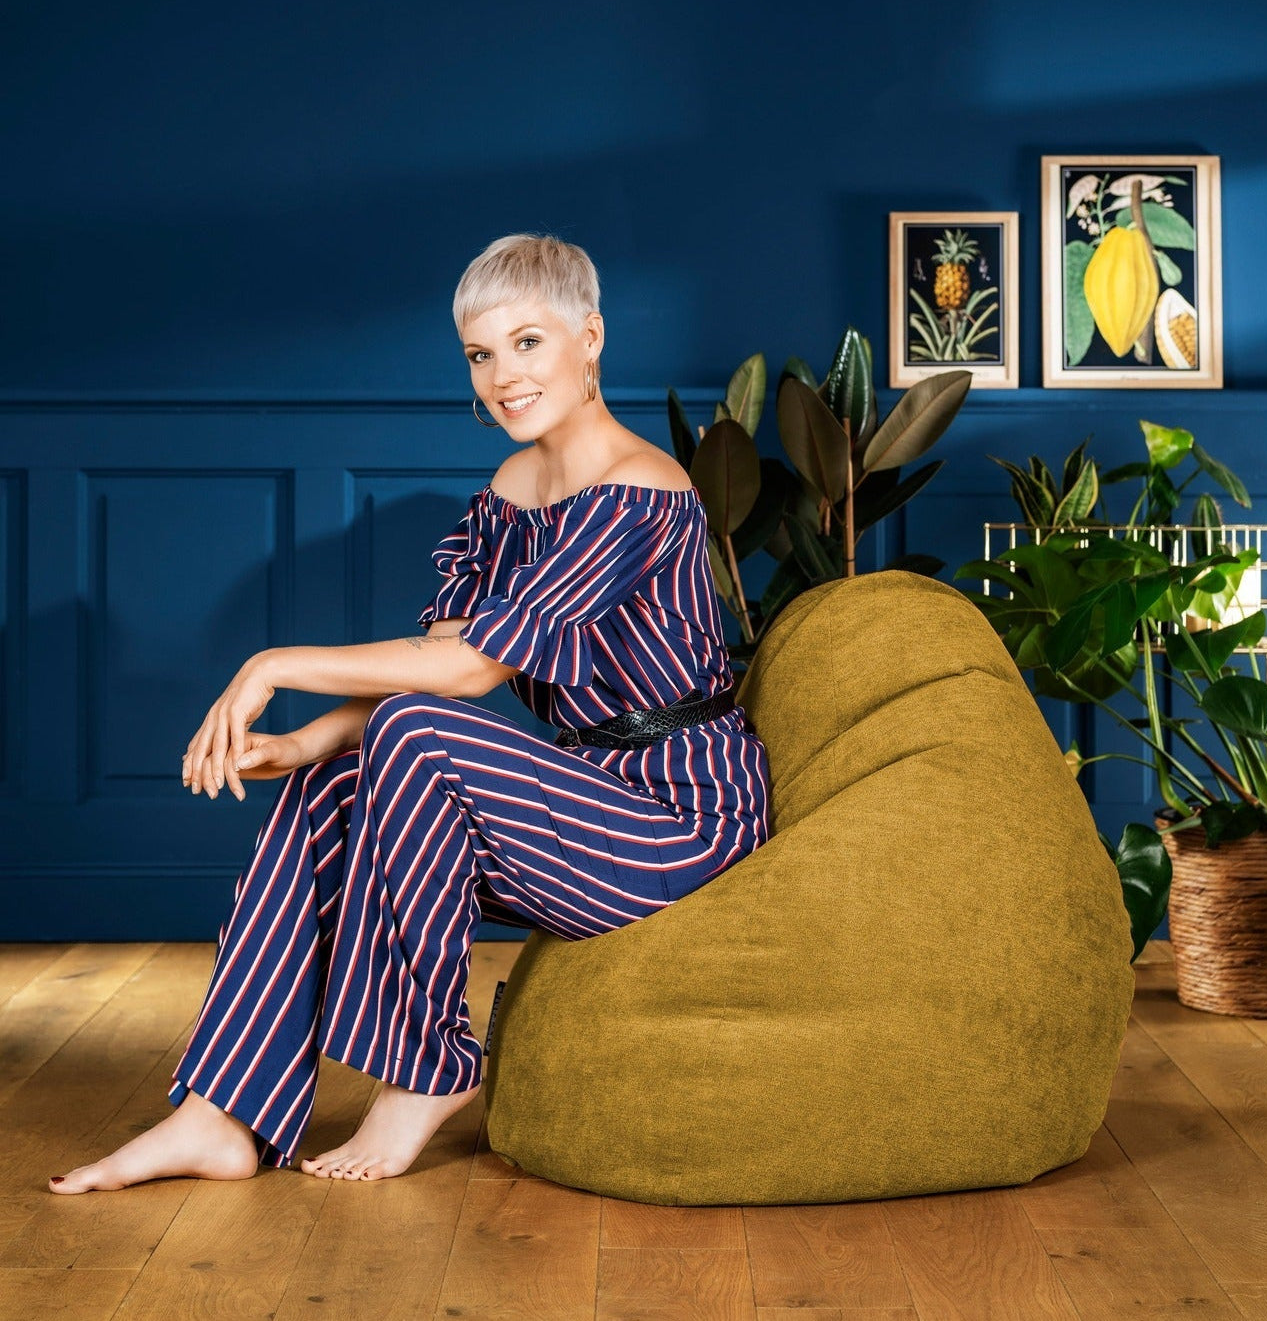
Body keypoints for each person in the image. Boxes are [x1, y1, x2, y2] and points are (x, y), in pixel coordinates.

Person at [48, 232, 771, 1193]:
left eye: (527, 343)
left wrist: (272, 663)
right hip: (584, 798)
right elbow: (432, 661)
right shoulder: (509, 495)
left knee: (414, 733)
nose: (502, 377)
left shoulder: (641, 492)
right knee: (335, 780)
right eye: (480, 354)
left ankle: (432, 1070)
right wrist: (303, 741)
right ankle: (221, 1113)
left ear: (590, 337)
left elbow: (468, 673)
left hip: (680, 817)